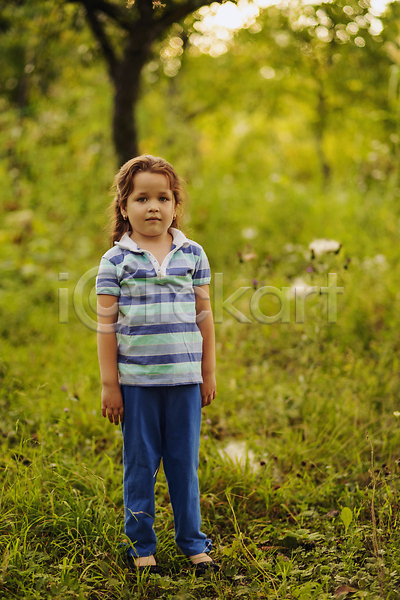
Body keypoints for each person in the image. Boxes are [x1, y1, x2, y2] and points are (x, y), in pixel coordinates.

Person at [95, 155, 218, 577]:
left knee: (184, 465)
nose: (153, 207)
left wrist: (209, 372)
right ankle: (141, 546)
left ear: (175, 205)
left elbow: (205, 318)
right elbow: (105, 327)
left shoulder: (192, 253)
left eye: (163, 198)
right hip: (138, 384)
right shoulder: (116, 261)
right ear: (123, 207)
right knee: (141, 465)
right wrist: (111, 384)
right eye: (141, 198)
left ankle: (193, 544)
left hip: (184, 380)